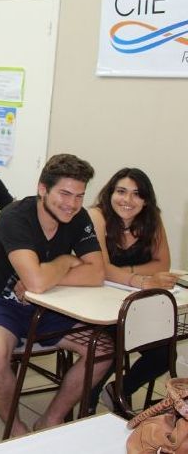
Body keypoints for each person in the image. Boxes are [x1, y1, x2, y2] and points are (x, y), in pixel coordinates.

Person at [0, 154, 108, 436]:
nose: (72, 204)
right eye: (65, 193)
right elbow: (35, 281)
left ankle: (50, 419)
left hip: (49, 303)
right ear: (43, 188)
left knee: (104, 349)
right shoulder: (14, 217)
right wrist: (67, 261)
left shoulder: (78, 217)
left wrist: (48, 274)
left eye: (79, 196)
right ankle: (15, 428)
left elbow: (96, 273)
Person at [88, 167, 177, 409]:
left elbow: (163, 263)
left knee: (164, 354)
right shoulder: (96, 216)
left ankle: (119, 392)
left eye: (137, 194)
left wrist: (126, 275)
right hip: (97, 306)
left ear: (146, 200)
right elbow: (101, 267)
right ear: (110, 193)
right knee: (109, 351)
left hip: (136, 304)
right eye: (121, 191)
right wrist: (140, 279)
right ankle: (88, 403)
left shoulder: (152, 220)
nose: (128, 200)